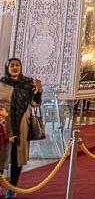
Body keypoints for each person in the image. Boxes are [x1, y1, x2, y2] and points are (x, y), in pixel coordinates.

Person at [0, 58, 42, 197]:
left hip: (22, 126)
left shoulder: (27, 84)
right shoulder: (2, 83)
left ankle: (12, 189)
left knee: (17, 157)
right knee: (1, 155)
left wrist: (39, 91)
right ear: (7, 68)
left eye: (17, 65)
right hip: (4, 126)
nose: (15, 67)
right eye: (12, 65)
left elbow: (35, 104)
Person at [0, 99, 13, 191]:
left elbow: (3, 137)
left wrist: (8, 139)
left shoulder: (3, 124)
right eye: (4, 109)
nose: (6, 111)